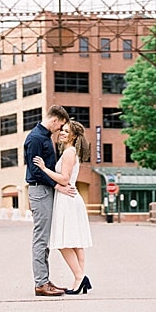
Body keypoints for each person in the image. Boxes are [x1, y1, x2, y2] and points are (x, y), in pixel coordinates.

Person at [34, 120, 95, 295]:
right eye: (62, 130)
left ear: (73, 136)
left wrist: (45, 169)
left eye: (66, 131)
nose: (61, 133)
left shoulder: (69, 152)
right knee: (75, 242)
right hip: (70, 198)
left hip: (67, 199)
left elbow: (65, 179)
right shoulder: (69, 152)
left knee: (63, 242)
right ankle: (80, 279)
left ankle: (79, 277)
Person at [24, 104, 75, 297]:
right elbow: (35, 169)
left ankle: (44, 280)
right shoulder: (36, 138)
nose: (59, 130)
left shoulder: (44, 137)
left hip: (46, 191)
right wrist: (57, 186)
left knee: (45, 239)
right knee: (41, 239)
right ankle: (41, 283)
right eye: (60, 126)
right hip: (41, 191)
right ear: (54, 120)